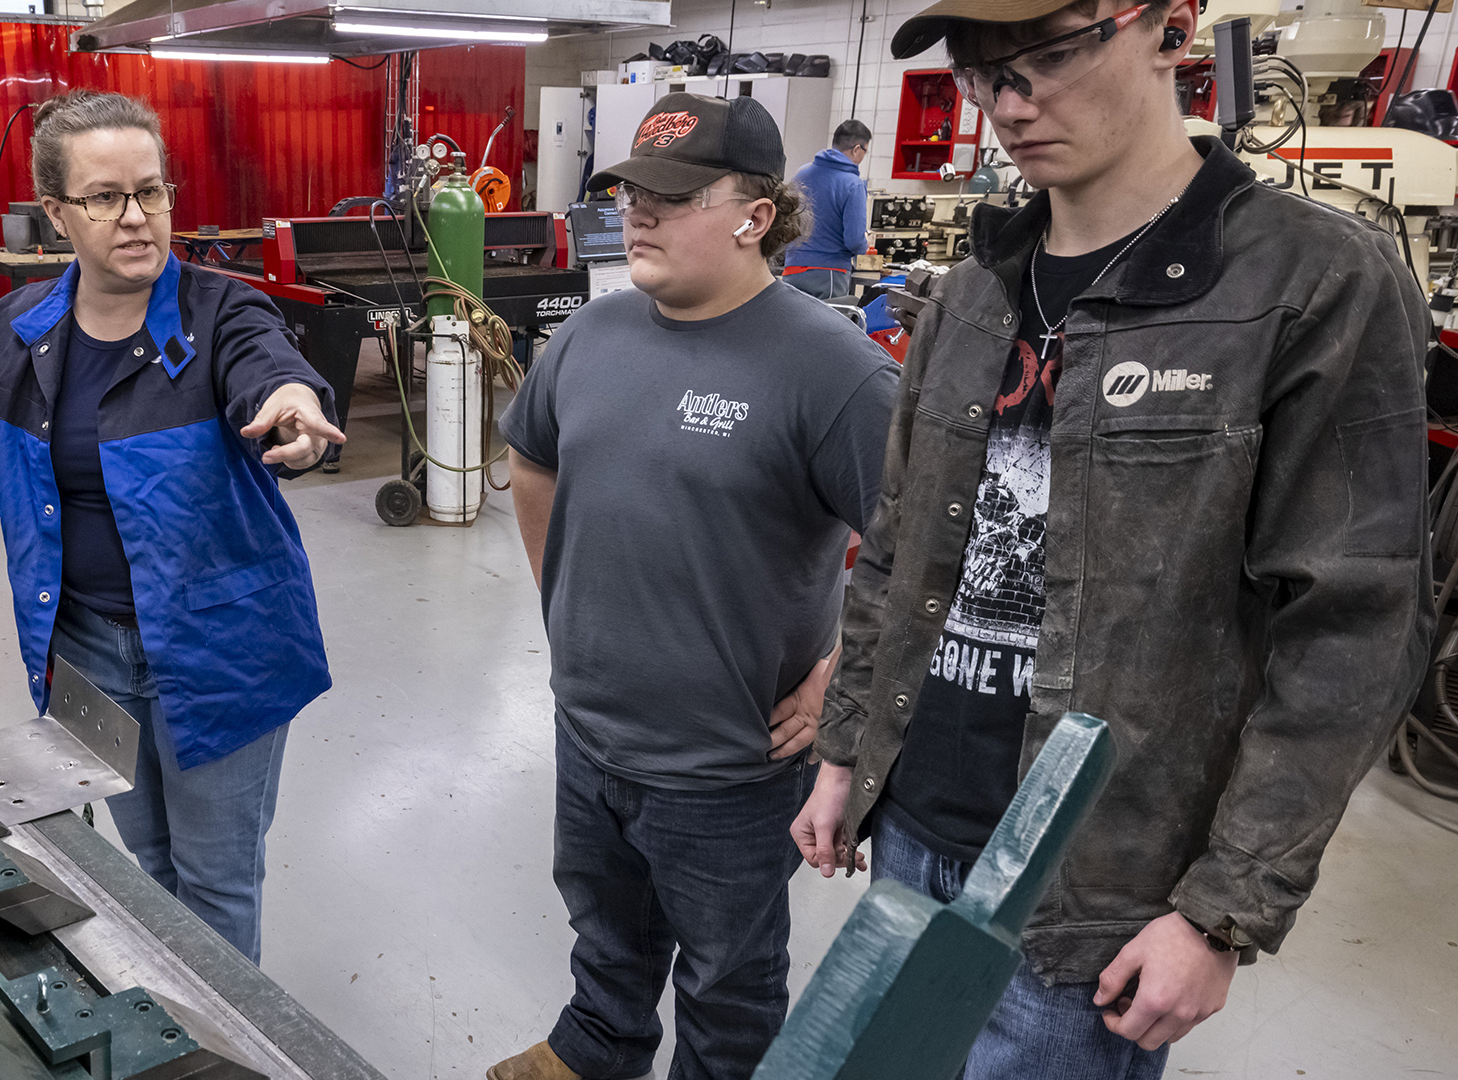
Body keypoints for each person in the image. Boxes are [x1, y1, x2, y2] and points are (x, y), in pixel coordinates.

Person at [790, 0, 1433, 1076]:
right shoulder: (971, 291)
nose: (1007, 103)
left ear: (1171, 29)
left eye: (1045, 54)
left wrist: (1223, 910)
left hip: (1092, 896)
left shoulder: (1310, 282)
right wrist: (847, 750)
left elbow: (1354, 630)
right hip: (913, 829)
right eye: (982, 71)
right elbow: (899, 552)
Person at [486, 93, 900, 1080]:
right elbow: (531, 457)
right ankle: (598, 1047)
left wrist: (846, 679)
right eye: (630, 193)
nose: (638, 214)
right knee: (607, 931)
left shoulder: (834, 370)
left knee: (727, 979)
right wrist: (564, 606)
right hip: (590, 728)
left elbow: (933, 550)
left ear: (756, 214)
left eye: (671, 198)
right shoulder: (594, 334)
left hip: (726, 769)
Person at [0, 90, 345, 965]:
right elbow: (12, 494)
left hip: (222, 646)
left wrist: (295, 408)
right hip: (84, 651)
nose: (138, 217)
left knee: (217, 876)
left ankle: (229, 1055)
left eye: (152, 191)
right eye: (106, 197)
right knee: (147, 864)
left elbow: (271, 371)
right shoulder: (13, 329)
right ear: (56, 213)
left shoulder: (223, 312)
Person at [782, 120, 870, 300]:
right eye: (865, 152)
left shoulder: (801, 173)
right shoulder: (853, 185)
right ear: (856, 149)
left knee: (793, 325)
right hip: (829, 272)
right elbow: (854, 240)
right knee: (826, 326)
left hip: (792, 267)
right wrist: (865, 245)